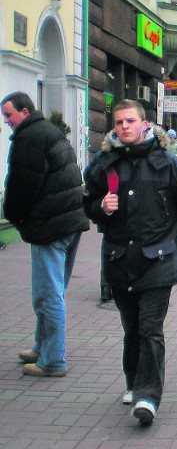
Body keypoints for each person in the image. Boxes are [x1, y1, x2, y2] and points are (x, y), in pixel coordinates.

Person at [82, 99, 177, 426]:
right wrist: (100, 207)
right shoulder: (103, 164)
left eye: (130, 121)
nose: (124, 127)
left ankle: (148, 396)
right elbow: (86, 203)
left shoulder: (167, 164)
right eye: (118, 122)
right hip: (120, 260)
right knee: (132, 328)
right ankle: (134, 383)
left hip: (159, 259)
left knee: (150, 328)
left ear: (145, 124)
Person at [1, 91, 90, 377]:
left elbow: (21, 185)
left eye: (8, 115)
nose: (6, 121)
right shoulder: (50, 131)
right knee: (53, 291)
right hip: (70, 221)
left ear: (24, 112)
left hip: (49, 225)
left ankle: (52, 361)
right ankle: (41, 346)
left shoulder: (29, 138)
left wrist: (14, 216)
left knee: (46, 294)